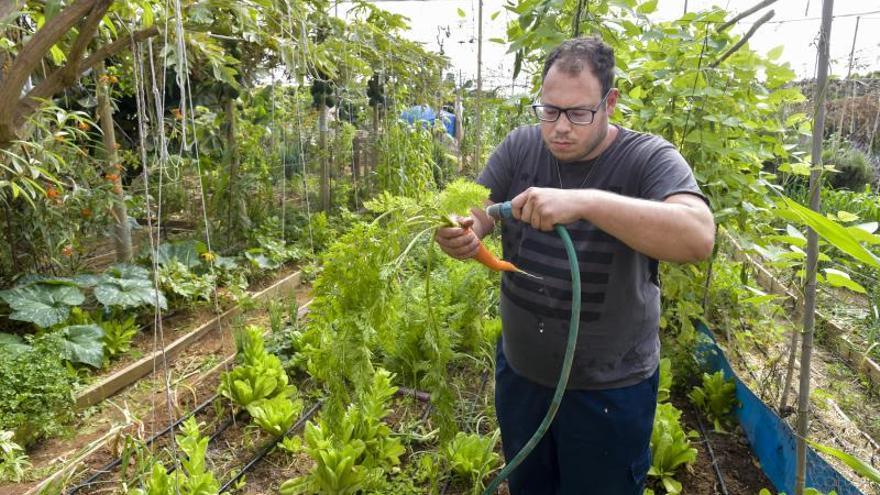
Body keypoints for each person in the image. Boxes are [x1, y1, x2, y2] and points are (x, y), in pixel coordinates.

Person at [434, 36, 715, 494]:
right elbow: (480, 212)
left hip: (609, 390)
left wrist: (585, 203)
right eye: (549, 110)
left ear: (611, 103)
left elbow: (698, 236)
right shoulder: (520, 147)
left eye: (578, 113)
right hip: (522, 377)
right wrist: (465, 232)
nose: (560, 127)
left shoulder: (646, 158)